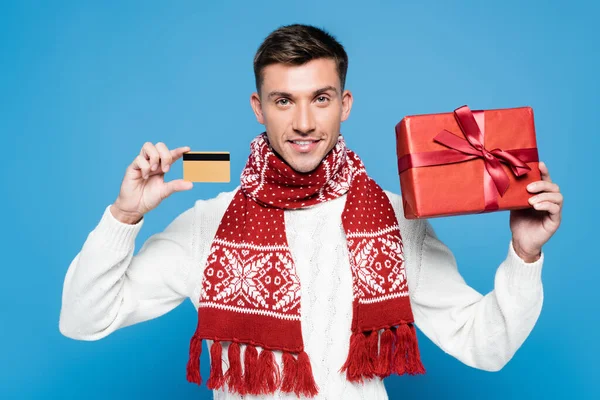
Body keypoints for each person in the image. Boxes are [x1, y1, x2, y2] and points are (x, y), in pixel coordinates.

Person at [59, 24, 563, 399]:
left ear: (344, 104)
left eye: (319, 99)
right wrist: (124, 217)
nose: (303, 122)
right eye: (284, 101)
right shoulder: (207, 225)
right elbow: (84, 320)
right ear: (258, 108)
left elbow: (485, 346)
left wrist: (523, 253)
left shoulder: (395, 219)